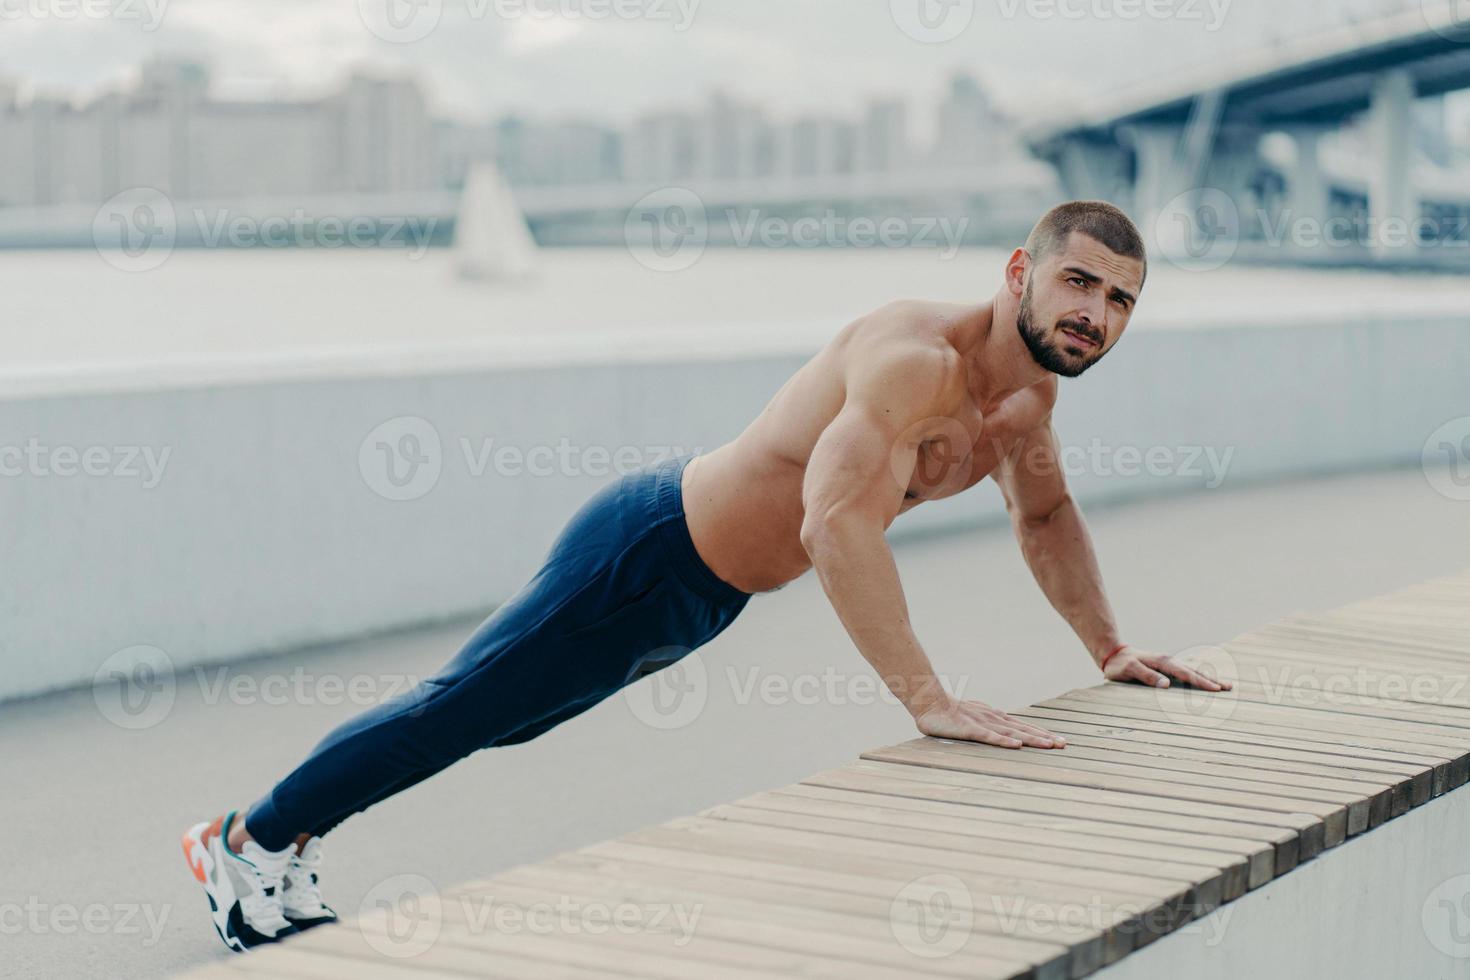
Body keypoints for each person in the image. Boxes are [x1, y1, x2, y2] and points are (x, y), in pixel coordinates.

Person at [181, 199, 1230, 952]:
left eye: (1121, 300)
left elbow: (1044, 514)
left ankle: (277, 837)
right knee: (461, 707)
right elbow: (833, 522)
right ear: (1020, 272)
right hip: (647, 550)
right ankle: (248, 838)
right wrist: (931, 698)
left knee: (502, 720)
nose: (1096, 311)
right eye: (1079, 281)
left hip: (706, 592)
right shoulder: (916, 360)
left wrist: (1108, 644)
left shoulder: (1027, 407)